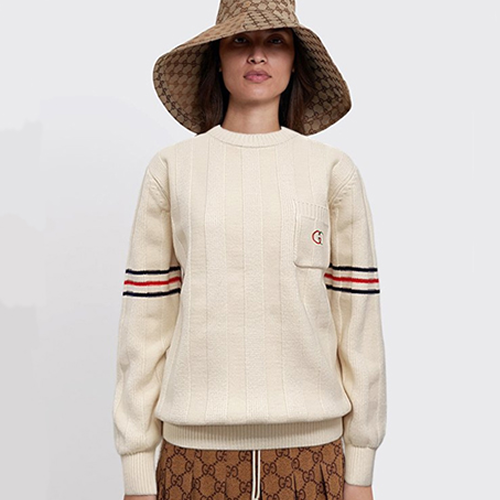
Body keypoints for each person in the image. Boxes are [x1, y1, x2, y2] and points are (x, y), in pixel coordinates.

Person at [112, 1, 388, 499]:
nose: (257, 55)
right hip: (193, 457)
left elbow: (358, 324)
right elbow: (145, 325)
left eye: (275, 41)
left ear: (295, 62)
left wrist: (361, 468)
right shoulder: (172, 169)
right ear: (217, 58)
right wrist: (136, 469)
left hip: (313, 457)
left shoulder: (332, 171)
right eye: (240, 41)